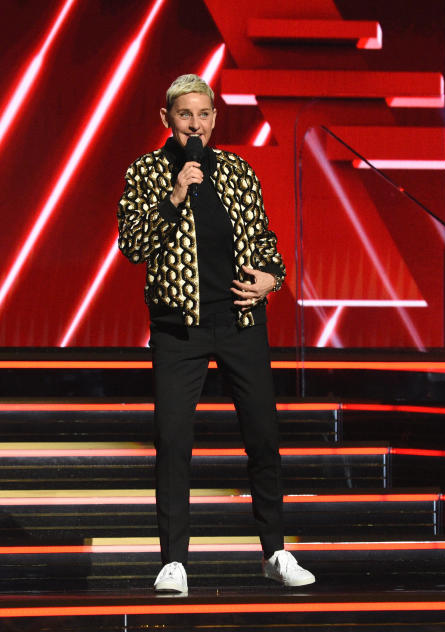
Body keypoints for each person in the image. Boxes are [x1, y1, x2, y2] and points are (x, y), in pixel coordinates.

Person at [116, 74, 315, 594]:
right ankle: (174, 562)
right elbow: (133, 245)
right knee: (175, 441)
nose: (196, 124)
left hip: (241, 323)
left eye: (204, 114)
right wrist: (176, 193)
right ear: (168, 120)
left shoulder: (238, 171)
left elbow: (264, 237)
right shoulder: (146, 173)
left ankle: (274, 551)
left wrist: (274, 276)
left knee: (263, 439)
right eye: (185, 115)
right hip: (179, 329)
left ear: (214, 119)